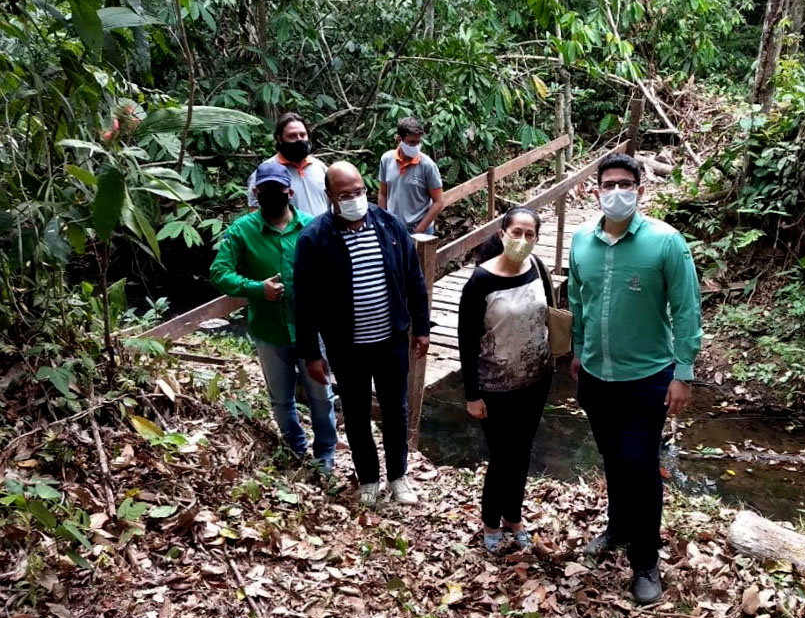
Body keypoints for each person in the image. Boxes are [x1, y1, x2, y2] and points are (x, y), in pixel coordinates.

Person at [568, 153, 702, 604]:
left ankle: (645, 563)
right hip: (595, 375)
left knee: (642, 467)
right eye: (608, 184)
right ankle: (618, 528)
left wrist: (683, 373)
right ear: (596, 189)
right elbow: (577, 301)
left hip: (647, 377)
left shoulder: (666, 243)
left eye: (626, 183)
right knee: (611, 456)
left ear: (641, 189)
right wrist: (576, 353)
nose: (616, 192)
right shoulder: (582, 241)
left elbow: (687, 310)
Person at [294, 161, 430, 507]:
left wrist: (422, 327)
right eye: (345, 195)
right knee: (355, 413)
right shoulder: (314, 238)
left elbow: (414, 279)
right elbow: (306, 300)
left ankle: (399, 477)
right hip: (347, 345)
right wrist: (311, 352)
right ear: (329, 197)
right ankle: (368, 478)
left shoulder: (389, 226)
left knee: (395, 410)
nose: (354, 199)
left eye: (358, 192)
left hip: (391, 339)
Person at [211, 162, 338, 470]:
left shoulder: (312, 226)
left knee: (321, 396)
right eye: (264, 190)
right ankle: (295, 448)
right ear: (256, 193)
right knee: (281, 399)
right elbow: (219, 273)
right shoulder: (242, 230)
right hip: (269, 330)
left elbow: (332, 273)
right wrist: (256, 288)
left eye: (277, 190)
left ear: (290, 192)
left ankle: (325, 455)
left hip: (310, 330)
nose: (271, 195)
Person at [457, 208, 554, 554]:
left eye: (530, 234)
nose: (522, 240)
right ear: (502, 233)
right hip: (495, 386)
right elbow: (466, 341)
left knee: (522, 451)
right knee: (501, 457)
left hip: (536, 378)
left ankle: (514, 516)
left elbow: (549, 316)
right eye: (517, 232)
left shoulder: (538, 268)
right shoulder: (481, 281)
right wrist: (472, 395)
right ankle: (490, 522)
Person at [247, 112, 329, 216]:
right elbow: (254, 213)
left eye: (303, 135)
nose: (299, 139)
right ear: (280, 139)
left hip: (323, 231)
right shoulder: (265, 173)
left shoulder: (320, 168)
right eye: (292, 136)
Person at [377, 117, 444, 235]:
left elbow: (438, 201)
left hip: (419, 229)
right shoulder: (386, 160)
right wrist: (383, 222)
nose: (416, 147)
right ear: (399, 139)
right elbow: (383, 193)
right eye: (411, 142)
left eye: (418, 142)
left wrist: (420, 229)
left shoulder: (427, 166)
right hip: (394, 227)